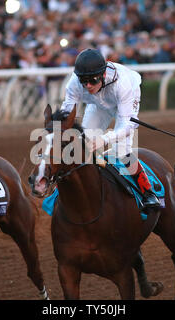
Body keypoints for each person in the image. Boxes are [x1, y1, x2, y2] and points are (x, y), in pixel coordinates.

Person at [60, 48, 161, 211]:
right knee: (83, 146)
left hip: (125, 103)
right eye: (83, 81)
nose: (87, 85)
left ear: (103, 75)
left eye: (92, 80)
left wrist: (104, 139)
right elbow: (67, 114)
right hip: (98, 105)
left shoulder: (123, 83)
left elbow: (128, 126)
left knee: (121, 150)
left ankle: (148, 192)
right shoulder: (74, 83)